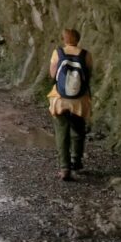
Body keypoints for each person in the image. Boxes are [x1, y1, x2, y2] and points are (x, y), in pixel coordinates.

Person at [48, 28, 93, 181]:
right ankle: (76, 161)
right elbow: (88, 76)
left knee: (62, 133)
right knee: (78, 130)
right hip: (79, 101)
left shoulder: (58, 52)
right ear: (78, 39)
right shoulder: (86, 54)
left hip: (60, 99)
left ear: (64, 39)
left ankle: (64, 168)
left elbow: (53, 75)